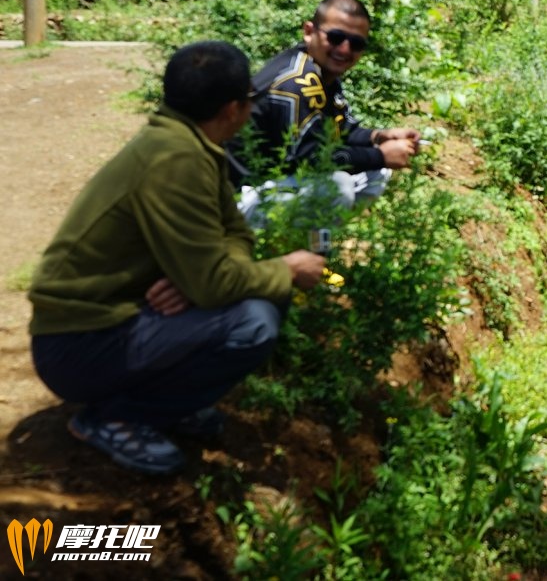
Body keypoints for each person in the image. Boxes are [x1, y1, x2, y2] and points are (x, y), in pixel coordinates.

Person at [28, 41, 328, 475]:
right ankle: (120, 417)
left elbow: (235, 234)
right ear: (232, 109)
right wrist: (285, 268)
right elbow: (217, 280)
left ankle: (164, 406)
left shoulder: (187, 144)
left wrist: (191, 280)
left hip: (105, 324)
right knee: (255, 319)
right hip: (78, 344)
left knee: (248, 295)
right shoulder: (177, 161)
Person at [228, 0, 421, 224]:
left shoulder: (321, 72)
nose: (345, 49)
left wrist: (379, 136)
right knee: (338, 186)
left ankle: (311, 237)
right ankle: (300, 249)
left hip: (278, 181)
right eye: (336, 37)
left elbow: (340, 130)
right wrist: (380, 155)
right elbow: (309, 158)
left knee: (375, 171)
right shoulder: (296, 82)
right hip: (240, 196)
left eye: (357, 43)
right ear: (309, 32)